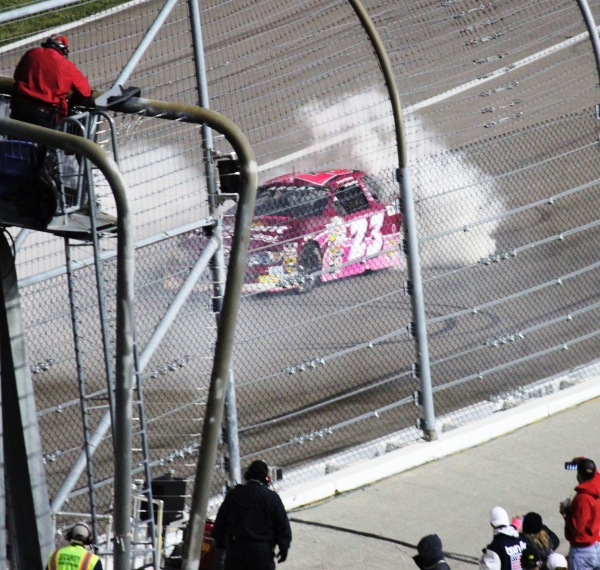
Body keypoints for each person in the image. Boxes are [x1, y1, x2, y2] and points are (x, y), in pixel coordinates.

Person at [212, 460, 292, 570]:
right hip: (262, 552)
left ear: (247, 476)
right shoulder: (272, 498)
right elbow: (282, 524)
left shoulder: (233, 495)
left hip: (236, 550)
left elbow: (220, 522)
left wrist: (220, 542)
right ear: (266, 478)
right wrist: (284, 547)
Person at [10, 34, 93, 128]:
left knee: (14, 141)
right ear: (63, 49)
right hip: (45, 116)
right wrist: (73, 102)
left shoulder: (31, 54)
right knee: (48, 140)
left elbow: (17, 76)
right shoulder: (66, 65)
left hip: (20, 109)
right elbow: (85, 92)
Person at [559, 457, 600, 570]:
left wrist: (566, 512)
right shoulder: (597, 485)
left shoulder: (583, 499)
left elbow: (577, 529)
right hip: (595, 546)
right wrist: (583, 460)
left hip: (582, 553)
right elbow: (594, 472)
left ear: (579, 475)